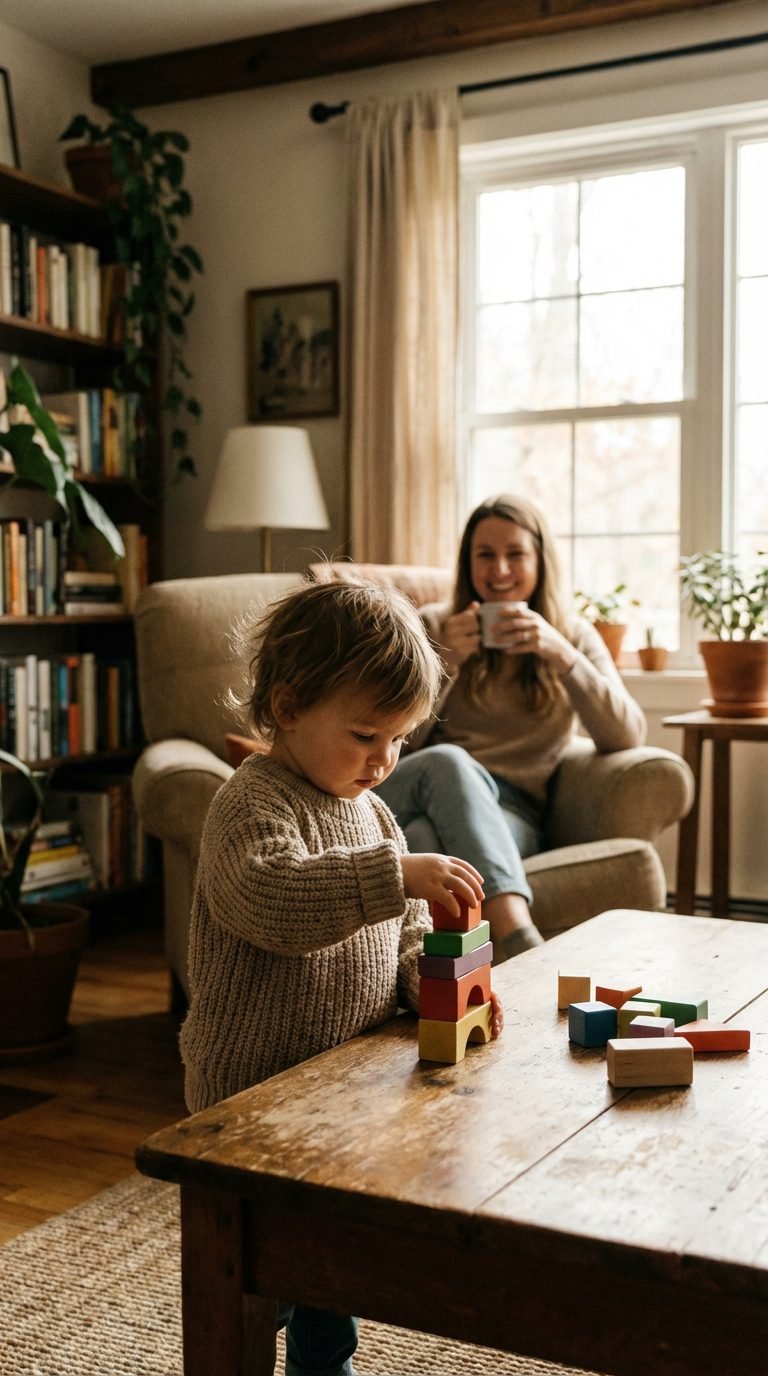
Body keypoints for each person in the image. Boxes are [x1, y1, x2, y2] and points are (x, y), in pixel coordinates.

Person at [179, 579, 503, 1376]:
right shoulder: (251, 804)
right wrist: (391, 876)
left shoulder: (375, 812)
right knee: (258, 1274)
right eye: (365, 735)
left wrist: (432, 992)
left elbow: (404, 934)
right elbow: (270, 902)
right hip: (250, 1093)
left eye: (399, 739)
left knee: (329, 1262)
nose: (384, 760)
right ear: (288, 708)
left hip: (341, 1088)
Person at [377, 494, 647, 966]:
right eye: (485, 554)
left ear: (540, 559)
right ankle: (522, 941)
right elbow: (389, 738)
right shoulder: (434, 625)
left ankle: (441, 988)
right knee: (448, 761)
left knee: (425, 839)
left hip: (511, 814)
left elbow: (626, 736)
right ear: (468, 563)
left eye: (515, 554)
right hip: (426, 783)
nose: (500, 569)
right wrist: (445, 666)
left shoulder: (571, 636)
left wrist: (561, 656)